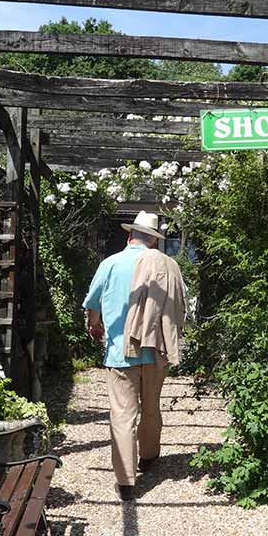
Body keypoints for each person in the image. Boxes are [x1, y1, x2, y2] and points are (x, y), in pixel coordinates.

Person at [83, 211, 182, 500]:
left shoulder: (110, 263)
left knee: (123, 414)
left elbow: (92, 302)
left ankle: (126, 481)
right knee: (151, 407)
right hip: (155, 350)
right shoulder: (166, 266)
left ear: (129, 236)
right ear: (152, 241)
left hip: (120, 353)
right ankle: (149, 458)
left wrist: (94, 324)